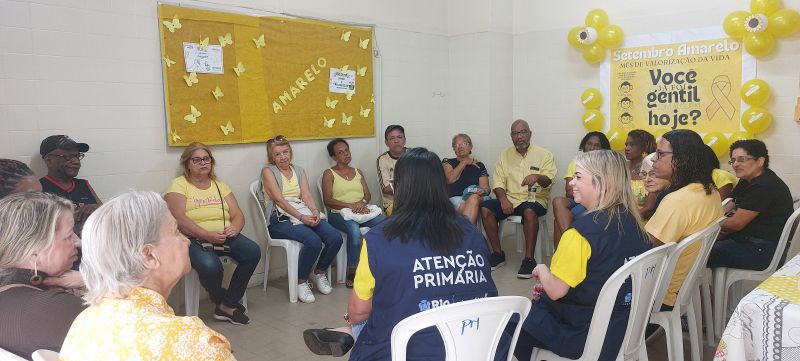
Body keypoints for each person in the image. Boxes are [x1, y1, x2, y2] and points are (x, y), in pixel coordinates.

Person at [302, 148, 498, 360]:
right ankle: (347, 332)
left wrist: (353, 319)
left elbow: (358, 312)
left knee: (377, 316)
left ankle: (348, 331)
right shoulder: (472, 232)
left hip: (414, 349)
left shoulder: (379, 239)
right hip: (478, 344)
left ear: (398, 188)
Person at [60, 191, 235, 360]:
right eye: (176, 232)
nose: (186, 240)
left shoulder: (84, 323)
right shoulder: (193, 343)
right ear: (149, 256)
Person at [513, 150, 651, 361]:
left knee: (510, 322)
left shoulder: (580, 234)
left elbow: (556, 291)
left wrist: (542, 270)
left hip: (585, 333)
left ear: (601, 182)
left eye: (578, 177)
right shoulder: (634, 224)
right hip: (624, 326)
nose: (571, 183)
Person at [164, 142, 260, 324]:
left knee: (252, 251)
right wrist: (206, 235)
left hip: (224, 236)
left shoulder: (220, 185)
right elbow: (178, 218)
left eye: (206, 159)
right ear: (187, 164)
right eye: (197, 160)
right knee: (211, 266)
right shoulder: (179, 185)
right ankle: (224, 301)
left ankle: (227, 305)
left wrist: (235, 228)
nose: (203, 163)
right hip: (193, 239)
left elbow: (238, 214)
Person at [0, 192, 85, 358]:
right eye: (69, 236)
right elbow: (133, 325)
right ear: (34, 251)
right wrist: (93, 281)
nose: (77, 241)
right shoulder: (53, 308)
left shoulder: (12, 297)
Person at [645, 129, 722, 311]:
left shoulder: (677, 201)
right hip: (681, 287)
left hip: (659, 292)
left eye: (660, 154)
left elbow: (646, 248)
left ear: (682, 159)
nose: (653, 159)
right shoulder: (710, 191)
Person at [262, 135, 342, 303]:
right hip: (279, 219)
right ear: (272, 157)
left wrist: (314, 211)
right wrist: (302, 217)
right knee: (313, 241)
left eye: (285, 152)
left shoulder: (299, 170)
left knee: (335, 237)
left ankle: (319, 272)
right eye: (277, 154)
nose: (283, 157)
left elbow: (306, 194)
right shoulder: (268, 172)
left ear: (290, 152)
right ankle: (301, 280)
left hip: (302, 212)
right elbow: (279, 201)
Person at [480, 119, 556, 278]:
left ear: (530, 134)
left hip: (535, 200)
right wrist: (503, 200)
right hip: (511, 200)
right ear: (511, 136)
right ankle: (498, 253)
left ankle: (529, 260)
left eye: (523, 132)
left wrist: (537, 176)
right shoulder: (504, 156)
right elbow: (498, 182)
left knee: (529, 211)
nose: (519, 136)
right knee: (486, 208)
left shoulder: (544, 154)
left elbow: (549, 180)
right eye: (515, 133)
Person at [707, 139, 794, 271]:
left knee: (694, 254)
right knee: (699, 247)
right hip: (750, 241)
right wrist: (716, 219)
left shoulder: (764, 185)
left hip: (763, 249)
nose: (735, 164)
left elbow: (735, 224)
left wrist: (704, 223)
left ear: (760, 161)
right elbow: (728, 204)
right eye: (733, 160)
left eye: (742, 159)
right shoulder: (747, 179)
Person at [322, 138, 386, 288]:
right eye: (340, 152)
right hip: (338, 213)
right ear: (333, 157)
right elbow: (328, 200)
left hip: (360, 211)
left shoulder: (357, 172)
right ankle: (353, 270)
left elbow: (367, 195)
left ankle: (380, 264)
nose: (346, 154)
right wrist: (351, 206)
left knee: (384, 224)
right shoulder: (329, 173)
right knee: (354, 231)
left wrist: (361, 204)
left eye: (347, 150)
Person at [551, 131, 610, 247]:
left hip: (596, 201)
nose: (592, 148)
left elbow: (604, 191)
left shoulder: (607, 165)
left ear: (603, 148)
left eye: (597, 145)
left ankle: (566, 248)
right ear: (584, 145)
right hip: (576, 198)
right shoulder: (575, 163)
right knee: (558, 201)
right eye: (589, 144)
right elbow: (569, 191)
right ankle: (568, 243)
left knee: (561, 219)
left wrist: (583, 189)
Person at [38, 135, 101, 236]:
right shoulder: (38, 188)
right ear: (49, 160)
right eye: (67, 157)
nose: (76, 162)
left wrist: (96, 208)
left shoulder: (84, 184)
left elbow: (105, 212)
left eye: (77, 156)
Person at [442, 133, 490, 224]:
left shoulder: (479, 165)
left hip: (477, 198)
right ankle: (470, 231)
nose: (460, 147)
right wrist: (464, 162)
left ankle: (466, 232)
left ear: (470, 147)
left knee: (474, 198)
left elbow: (486, 188)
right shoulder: (447, 163)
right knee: (470, 204)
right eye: (456, 145)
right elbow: (450, 179)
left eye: (464, 144)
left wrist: (482, 190)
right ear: (454, 149)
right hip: (456, 199)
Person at [624, 129, 658, 218]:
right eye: (626, 144)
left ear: (644, 147)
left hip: (640, 221)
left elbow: (648, 208)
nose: (627, 148)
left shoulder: (652, 169)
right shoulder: (621, 167)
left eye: (632, 145)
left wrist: (624, 219)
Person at [376, 125, 407, 214]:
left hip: (417, 200)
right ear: (386, 143)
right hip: (393, 204)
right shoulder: (382, 159)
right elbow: (386, 189)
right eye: (392, 138)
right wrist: (412, 190)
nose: (396, 141)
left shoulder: (414, 155)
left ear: (405, 140)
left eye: (399, 137)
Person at [638, 153, 670, 220]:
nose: (647, 179)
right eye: (644, 174)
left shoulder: (673, 199)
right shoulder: (652, 196)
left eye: (653, 174)